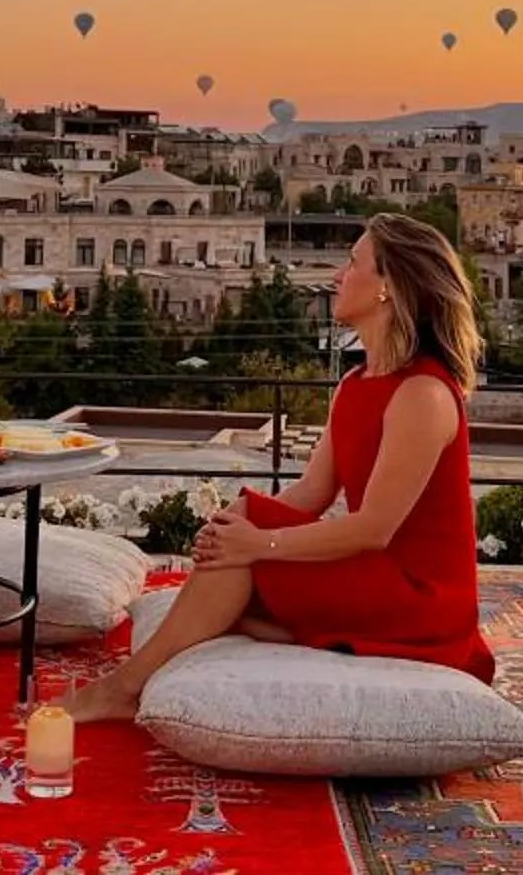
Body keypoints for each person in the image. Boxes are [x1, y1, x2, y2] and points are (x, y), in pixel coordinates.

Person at [60, 212, 492, 723]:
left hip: (418, 595)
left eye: (352, 263)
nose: (338, 276)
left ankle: (124, 687)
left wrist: (259, 543)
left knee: (247, 548)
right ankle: (283, 628)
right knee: (244, 523)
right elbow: (311, 494)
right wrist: (234, 526)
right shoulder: (355, 384)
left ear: (388, 287)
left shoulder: (422, 393)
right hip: (373, 574)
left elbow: (374, 529)